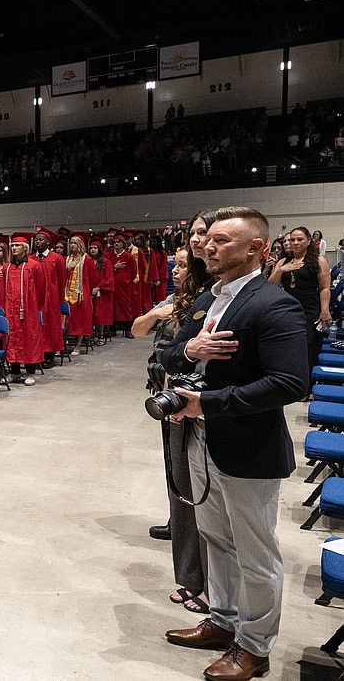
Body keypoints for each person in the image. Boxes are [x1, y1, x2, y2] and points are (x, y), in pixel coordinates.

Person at [161, 207, 308, 681]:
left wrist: (208, 403)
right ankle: (223, 621)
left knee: (255, 554)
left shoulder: (274, 304)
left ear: (255, 249)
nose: (208, 246)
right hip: (201, 440)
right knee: (216, 539)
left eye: (222, 240)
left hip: (247, 445)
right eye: (209, 238)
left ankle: (255, 647)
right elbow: (169, 353)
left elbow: (290, 383)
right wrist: (191, 349)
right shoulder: (209, 299)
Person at [132, 246, 210, 615]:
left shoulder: (206, 303)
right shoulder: (173, 302)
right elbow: (137, 329)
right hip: (168, 398)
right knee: (177, 481)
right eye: (174, 265)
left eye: (182, 266)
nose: (175, 271)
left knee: (197, 491)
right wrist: (158, 312)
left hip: (193, 401)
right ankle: (190, 574)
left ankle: (207, 583)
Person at [267, 226, 331, 396]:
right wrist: (281, 270)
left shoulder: (319, 261)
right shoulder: (283, 262)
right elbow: (271, 286)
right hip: (288, 310)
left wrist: (325, 310)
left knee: (308, 347)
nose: (295, 243)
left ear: (308, 240)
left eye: (299, 239)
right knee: (288, 347)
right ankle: (289, 383)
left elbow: (324, 288)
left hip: (310, 309)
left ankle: (306, 388)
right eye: (292, 240)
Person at [3, 232, 45, 385]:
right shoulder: (7, 267)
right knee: (12, 339)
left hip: (28, 310)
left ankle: (30, 372)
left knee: (29, 339)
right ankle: (14, 372)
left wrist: (33, 306)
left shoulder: (34, 266)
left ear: (25, 248)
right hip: (10, 310)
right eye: (12, 245)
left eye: (17, 245)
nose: (14, 248)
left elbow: (41, 289)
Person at [32, 227, 65, 368]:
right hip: (34, 298)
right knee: (37, 326)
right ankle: (37, 355)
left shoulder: (56, 258)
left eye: (41, 240)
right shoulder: (31, 259)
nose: (38, 242)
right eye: (36, 240)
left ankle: (49, 356)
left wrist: (57, 296)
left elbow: (62, 279)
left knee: (50, 326)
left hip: (51, 297)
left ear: (48, 242)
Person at [63, 235, 97, 356]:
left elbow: (92, 277)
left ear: (80, 245)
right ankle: (64, 343)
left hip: (81, 295)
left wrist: (87, 292)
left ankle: (78, 344)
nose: (72, 245)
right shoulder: (67, 259)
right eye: (71, 243)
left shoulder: (87, 259)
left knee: (81, 320)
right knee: (66, 319)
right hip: (67, 294)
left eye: (75, 243)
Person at [111, 232, 138, 336]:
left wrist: (127, 281)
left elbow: (133, 272)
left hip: (124, 286)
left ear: (123, 243)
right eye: (114, 242)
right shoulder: (109, 255)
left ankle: (128, 330)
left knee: (125, 306)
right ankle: (112, 329)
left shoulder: (129, 257)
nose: (116, 244)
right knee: (112, 306)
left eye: (118, 242)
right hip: (112, 285)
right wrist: (114, 267)